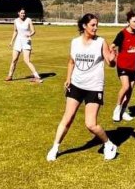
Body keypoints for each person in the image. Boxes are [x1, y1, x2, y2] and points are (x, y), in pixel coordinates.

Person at [46, 14, 118, 162]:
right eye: (93, 25)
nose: (95, 28)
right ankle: (55, 148)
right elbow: (71, 62)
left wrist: (113, 58)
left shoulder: (101, 42)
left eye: (97, 25)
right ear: (84, 26)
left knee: (90, 124)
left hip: (94, 87)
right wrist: (68, 79)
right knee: (67, 118)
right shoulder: (75, 42)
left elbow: (110, 63)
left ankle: (109, 144)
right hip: (76, 85)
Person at [6, 7, 41, 83]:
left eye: (24, 13)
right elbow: (15, 31)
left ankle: (37, 77)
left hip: (26, 42)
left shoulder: (28, 20)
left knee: (27, 60)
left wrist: (29, 35)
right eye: (21, 13)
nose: (23, 14)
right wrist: (11, 41)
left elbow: (33, 31)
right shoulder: (15, 21)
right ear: (18, 13)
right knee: (14, 60)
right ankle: (10, 76)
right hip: (18, 41)